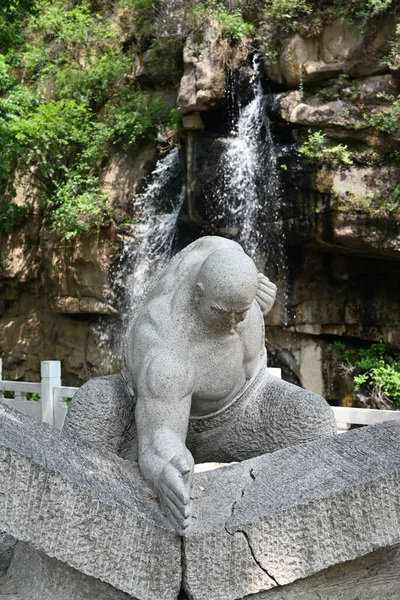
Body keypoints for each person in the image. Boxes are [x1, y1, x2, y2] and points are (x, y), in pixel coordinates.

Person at [63, 236, 336, 535]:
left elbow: (236, 280)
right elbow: (159, 435)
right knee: (96, 406)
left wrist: (259, 300)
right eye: (221, 312)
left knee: (312, 418)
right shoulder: (166, 342)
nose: (232, 323)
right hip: (155, 414)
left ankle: (292, 540)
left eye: (241, 313)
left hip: (244, 408)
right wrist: (165, 467)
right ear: (198, 294)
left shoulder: (229, 259)